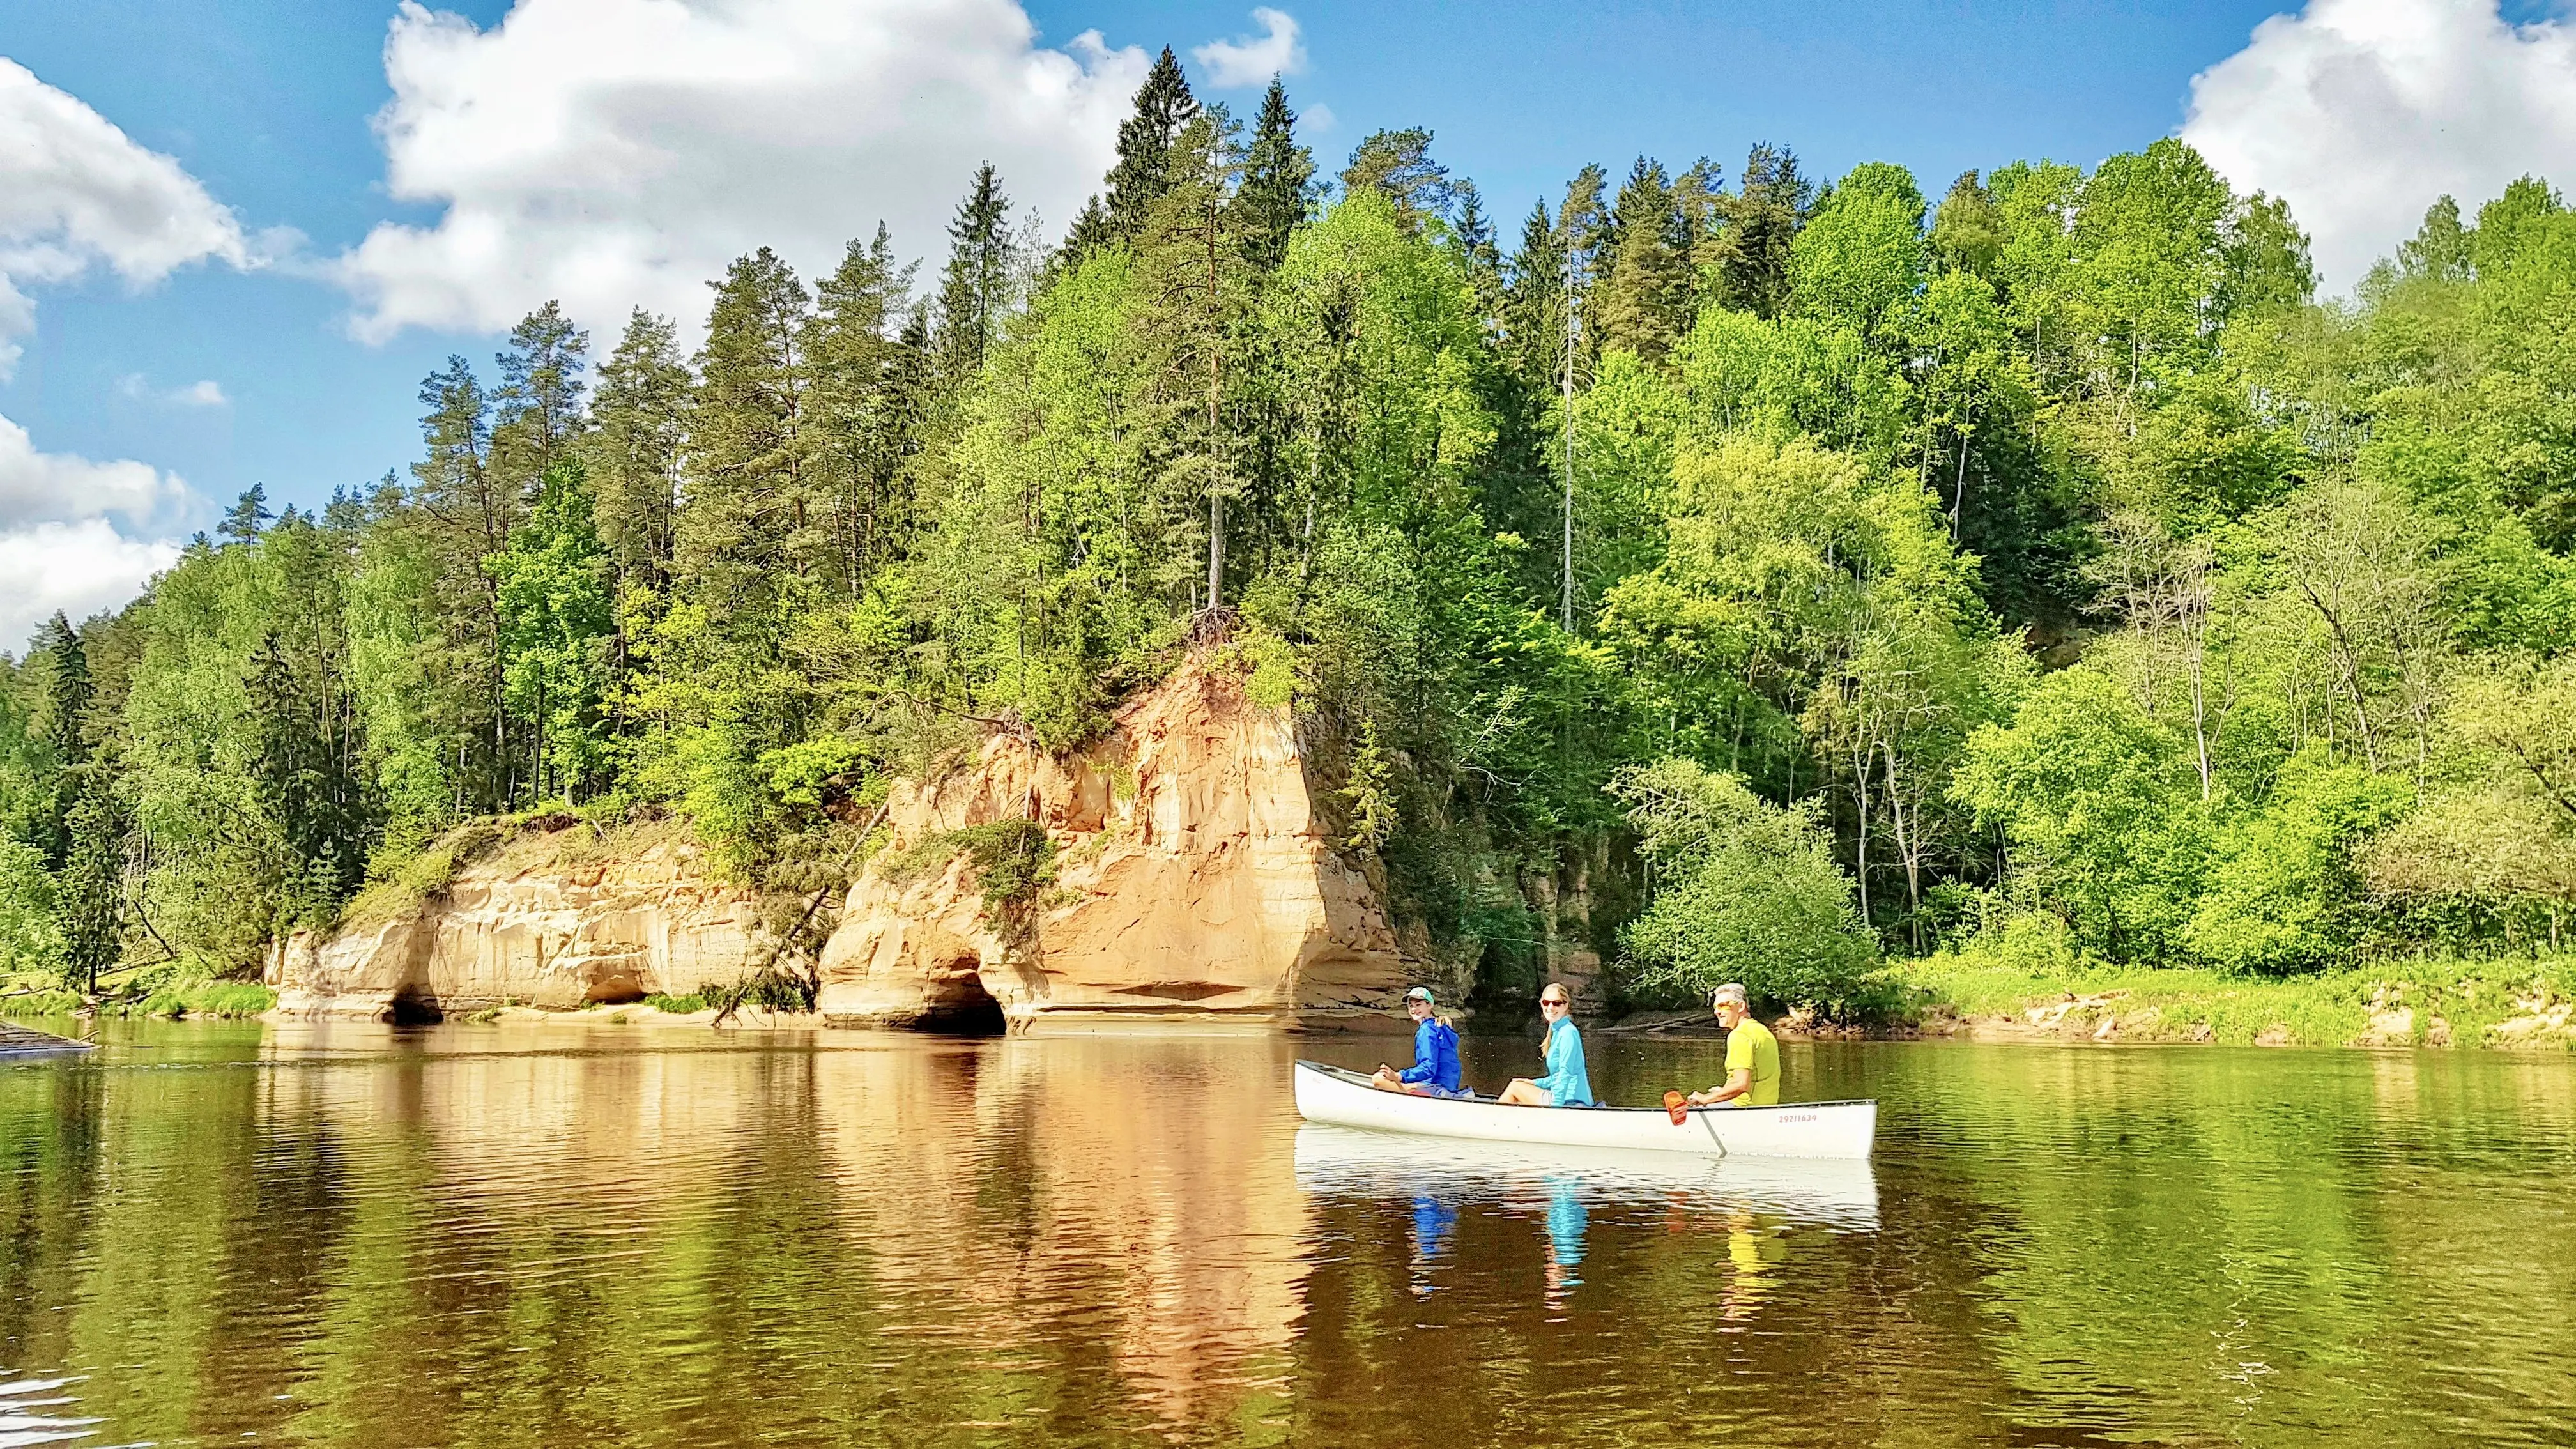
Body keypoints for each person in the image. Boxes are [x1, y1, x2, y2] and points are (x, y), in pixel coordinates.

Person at [1685, 983, 1779, 1108]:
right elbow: (1756, 1079)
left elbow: (1741, 1085)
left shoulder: (1739, 1035)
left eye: (1723, 1006)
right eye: (1715, 1007)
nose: (1717, 1012)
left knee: (1696, 1105)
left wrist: (1705, 1099)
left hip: (1745, 1109)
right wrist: (1722, 1091)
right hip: (1766, 1106)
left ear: (1741, 1006)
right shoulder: (1762, 1030)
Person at [1498, 983, 1593, 1107]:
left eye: (1557, 1003)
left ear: (1566, 1006)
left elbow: (1566, 1073)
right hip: (1564, 1098)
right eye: (1546, 1002)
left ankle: (1491, 1122)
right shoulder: (1557, 1031)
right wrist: (1534, 1083)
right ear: (1541, 1003)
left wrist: (1556, 1107)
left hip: (1572, 1101)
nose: (1550, 1007)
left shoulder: (1568, 1032)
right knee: (1520, 1089)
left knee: (1514, 1088)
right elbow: (1557, 1078)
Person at [1371, 986, 1466, 1097]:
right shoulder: (1439, 1027)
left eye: (1418, 1005)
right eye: (1411, 1005)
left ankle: (1411, 1092)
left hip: (1436, 1086)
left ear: (1429, 1005)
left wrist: (1399, 1076)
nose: (1413, 1009)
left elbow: (1429, 1068)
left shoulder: (1427, 1030)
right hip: (1449, 1085)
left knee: (1378, 1079)